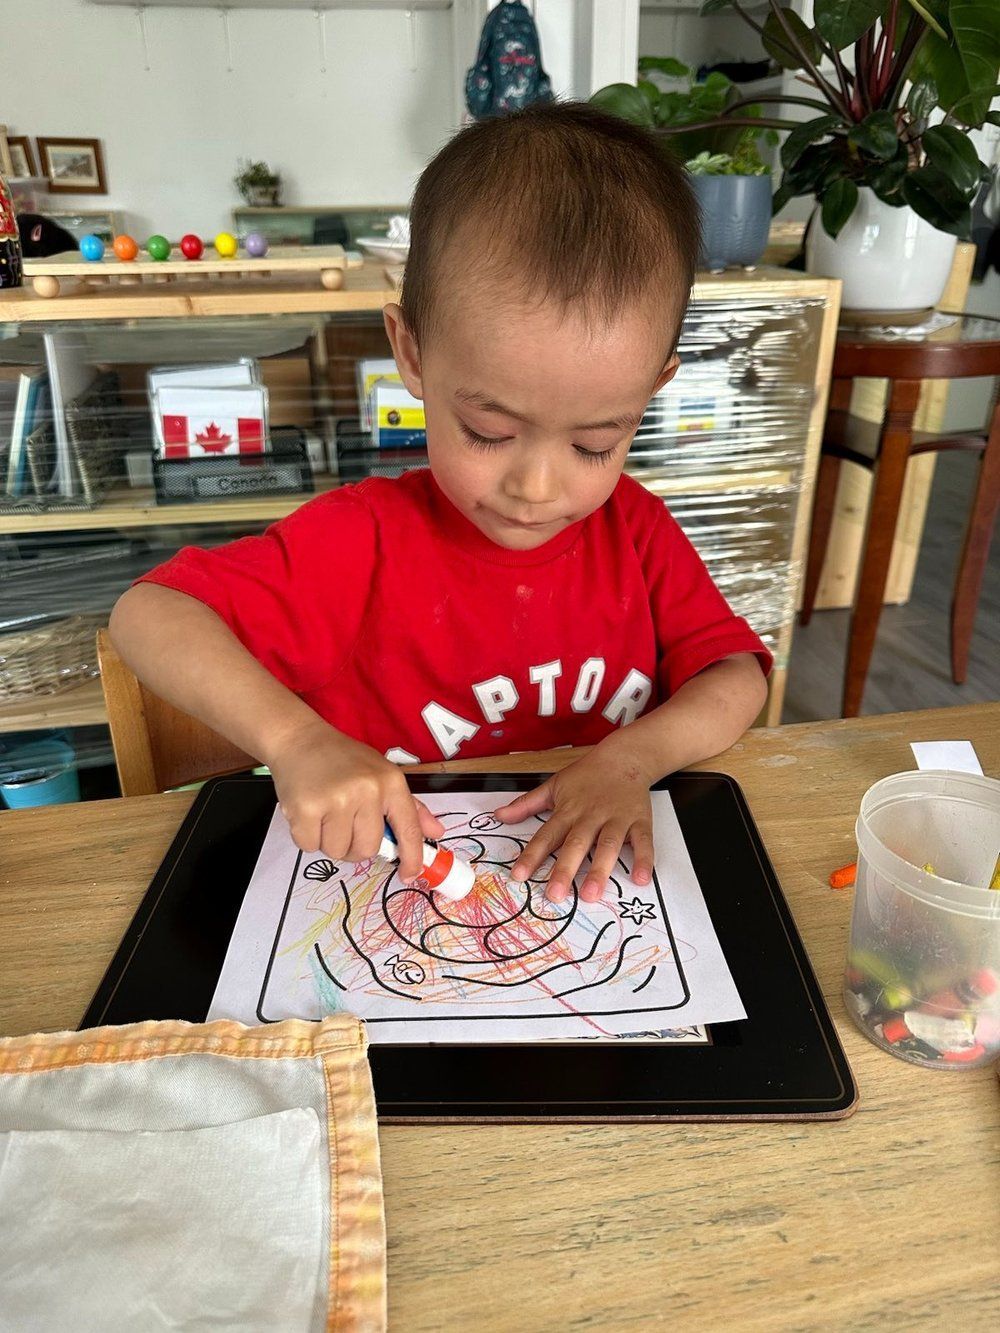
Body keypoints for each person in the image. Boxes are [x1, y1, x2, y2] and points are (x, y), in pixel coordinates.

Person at [110, 102, 770, 903]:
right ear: (411, 352)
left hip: (587, 892)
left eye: (596, 443)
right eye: (488, 429)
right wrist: (294, 740)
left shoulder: (635, 530)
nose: (538, 486)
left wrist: (632, 759)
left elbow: (737, 678)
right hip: (387, 896)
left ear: (653, 389)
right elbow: (145, 615)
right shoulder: (364, 539)